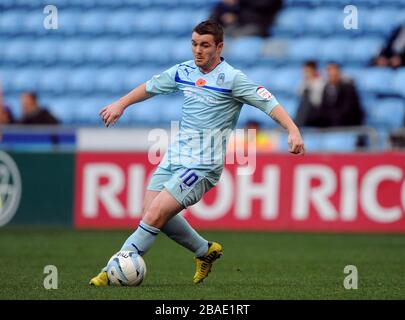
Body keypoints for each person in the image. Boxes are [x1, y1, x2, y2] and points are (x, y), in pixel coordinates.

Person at [89, 20, 305, 286]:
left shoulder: (233, 78)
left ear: (219, 47)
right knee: (150, 211)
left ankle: (112, 270)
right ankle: (205, 251)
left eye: (204, 45)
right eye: (194, 44)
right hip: (175, 156)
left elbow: (268, 102)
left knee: (154, 215)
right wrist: (121, 104)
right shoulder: (184, 71)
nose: (198, 50)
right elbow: (150, 86)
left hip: (203, 164)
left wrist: (292, 130)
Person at [321, 62, 364, 127]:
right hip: (331, 124)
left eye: (334, 74)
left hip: (348, 124)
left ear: (339, 73)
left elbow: (348, 109)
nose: (332, 77)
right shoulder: (326, 88)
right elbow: (324, 108)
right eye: (330, 74)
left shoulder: (348, 88)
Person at [295, 60, 326, 127]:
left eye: (308, 71)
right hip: (306, 113)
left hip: (317, 112)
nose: (306, 73)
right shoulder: (303, 83)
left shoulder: (321, 82)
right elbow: (298, 94)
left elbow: (318, 101)